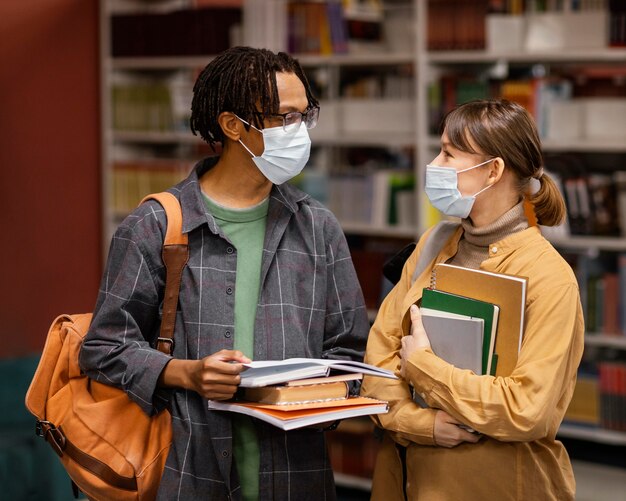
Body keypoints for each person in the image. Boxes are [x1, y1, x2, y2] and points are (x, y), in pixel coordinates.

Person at [79, 46, 369, 500]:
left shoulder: (319, 228)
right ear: (234, 126)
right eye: (284, 118)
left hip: (297, 478)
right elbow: (103, 348)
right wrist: (185, 373)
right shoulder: (156, 226)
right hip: (189, 473)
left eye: (304, 116)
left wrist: (314, 396)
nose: (299, 132)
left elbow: (349, 352)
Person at [361, 99, 584, 500]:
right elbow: (377, 365)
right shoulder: (431, 246)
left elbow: (525, 410)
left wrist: (424, 367)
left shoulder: (550, 278)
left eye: (448, 152)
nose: (435, 163)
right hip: (407, 483)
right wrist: (422, 425)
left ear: (493, 170)